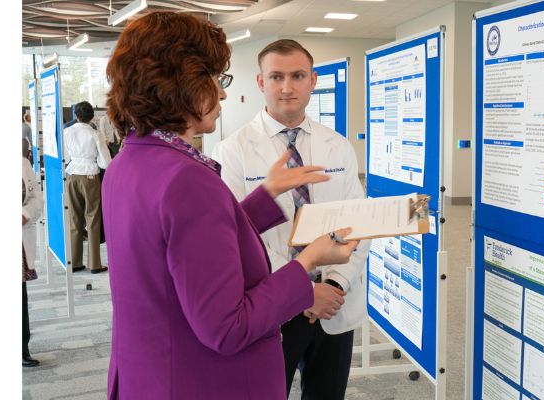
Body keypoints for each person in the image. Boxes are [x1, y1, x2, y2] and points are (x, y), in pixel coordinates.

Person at [102, 11, 359, 400]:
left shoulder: (130, 161)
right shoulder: (185, 177)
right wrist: (306, 266)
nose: (222, 94)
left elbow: (191, 246)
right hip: (202, 379)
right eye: (216, 79)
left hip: (152, 373)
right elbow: (227, 326)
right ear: (181, 83)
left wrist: (263, 196)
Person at [212, 39, 370, 400]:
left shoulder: (338, 146)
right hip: (272, 305)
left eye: (298, 76)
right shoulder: (232, 151)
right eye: (276, 76)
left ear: (313, 80)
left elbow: (357, 225)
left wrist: (336, 285)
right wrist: (302, 292)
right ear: (260, 82)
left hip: (333, 303)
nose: (287, 87)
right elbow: (236, 240)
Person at [63, 101, 111, 274]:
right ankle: (94, 264)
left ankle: (75, 262)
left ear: (76, 115)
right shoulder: (95, 134)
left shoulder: (67, 132)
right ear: (92, 117)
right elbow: (105, 162)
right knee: (92, 219)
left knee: (74, 218)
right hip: (90, 177)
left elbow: (65, 156)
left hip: (72, 176)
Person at [22, 155, 43, 367]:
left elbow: (37, 197)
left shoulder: (22, 163)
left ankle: (22, 348)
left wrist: (25, 214)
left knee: (19, 297)